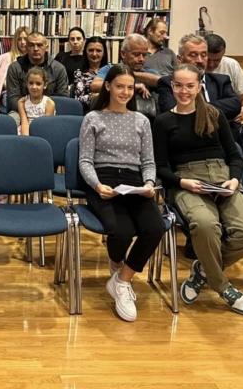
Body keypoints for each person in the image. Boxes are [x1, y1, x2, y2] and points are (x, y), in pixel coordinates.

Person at [152, 64, 243, 315]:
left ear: (199, 87)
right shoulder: (163, 121)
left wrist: (234, 180)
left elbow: (234, 155)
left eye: (190, 86)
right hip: (187, 181)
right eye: (178, 85)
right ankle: (223, 287)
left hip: (222, 177)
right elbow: (161, 167)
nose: (184, 91)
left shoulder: (213, 114)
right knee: (205, 225)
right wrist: (183, 183)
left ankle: (203, 270)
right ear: (172, 86)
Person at [79, 64, 164, 322]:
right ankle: (117, 265)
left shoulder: (141, 120)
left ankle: (122, 280)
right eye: (119, 86)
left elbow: (148, 161)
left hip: (133, 181)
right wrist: (96, 185)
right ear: (107, 86)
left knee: (155, 227)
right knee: (121, 231)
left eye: (129, 87)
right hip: (103, 180)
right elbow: (85, 161)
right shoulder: (93, 118)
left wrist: (148, 183)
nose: (125, 92)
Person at [5, 31, 69, 119]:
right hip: (21, 111)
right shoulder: (14, 68)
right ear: (26, 47)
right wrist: (31, 110)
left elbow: (62, 99)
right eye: (31, 45)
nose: (35, 49)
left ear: (46, 47)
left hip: (50, 111)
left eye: (39, 45)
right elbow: (13, 99)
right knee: (11, 121)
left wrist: (43, 109)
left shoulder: (59, 69)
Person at [205, 34, 243, 126]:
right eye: (208, 60)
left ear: (224, 53)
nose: (211, 65)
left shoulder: (231, 64)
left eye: (217, 60)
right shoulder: (195, 65)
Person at [91, 33, 155, 99]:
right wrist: (133, 87)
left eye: (144, 55)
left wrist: (130, 73)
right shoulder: (109, 69)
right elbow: (95, 86)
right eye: (136, 54)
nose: (141, 59)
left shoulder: (150, 72)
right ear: (123, 54)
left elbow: (160, 82)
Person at [0, 26, 29, 113]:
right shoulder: (4, 58)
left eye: (25, 39)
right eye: (19, 39)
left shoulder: (34, 58)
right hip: (9, 94)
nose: (22, 42)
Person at [71, 36, 107, 108]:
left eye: (98, 51)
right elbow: (77, 100)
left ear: (104, 53)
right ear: (85, 52)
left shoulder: (110, 71)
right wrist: (92, 97)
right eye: (91, 50)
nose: (94, 54)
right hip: (87, 111)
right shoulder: (79, 74)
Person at [18, 66, 55, 135]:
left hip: (43, 133)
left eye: (38, 84)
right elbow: (24, 124)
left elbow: (46, 126)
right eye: (31, 83)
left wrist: (37, 141)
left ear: (45, 85)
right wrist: (26, 140)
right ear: (27, 84)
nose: (34, 87)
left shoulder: (49, 103)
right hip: (26, 133)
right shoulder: (22, 102)